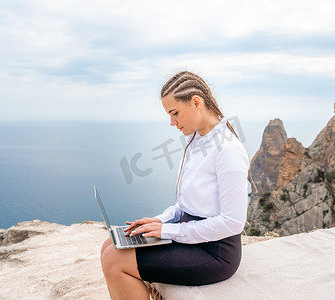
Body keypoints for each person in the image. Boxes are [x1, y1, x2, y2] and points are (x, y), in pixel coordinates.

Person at [100, 71, 250, 300]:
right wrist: (161, 220)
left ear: (196, 102)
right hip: (191, 236)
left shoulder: (228, 150)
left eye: (175, 113)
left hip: (215, 252)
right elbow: (186, 205)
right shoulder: (197, 140)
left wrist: (170, 231)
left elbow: (233, 222)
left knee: (114, 260)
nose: (172, 122)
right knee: (109, 245)